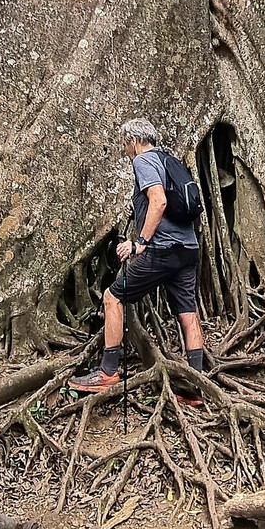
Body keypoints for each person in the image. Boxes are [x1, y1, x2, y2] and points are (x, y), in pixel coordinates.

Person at [70, 117, 205, 393]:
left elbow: (160, 201)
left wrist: (140, 243)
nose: (125, 150)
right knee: (188, 313)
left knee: (112, 297)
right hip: (188, 249)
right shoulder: (168, 160)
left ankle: (108, 373)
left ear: (133, 141)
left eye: (125, 144)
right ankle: (197, 385)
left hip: (163, 250)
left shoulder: (143, 161)